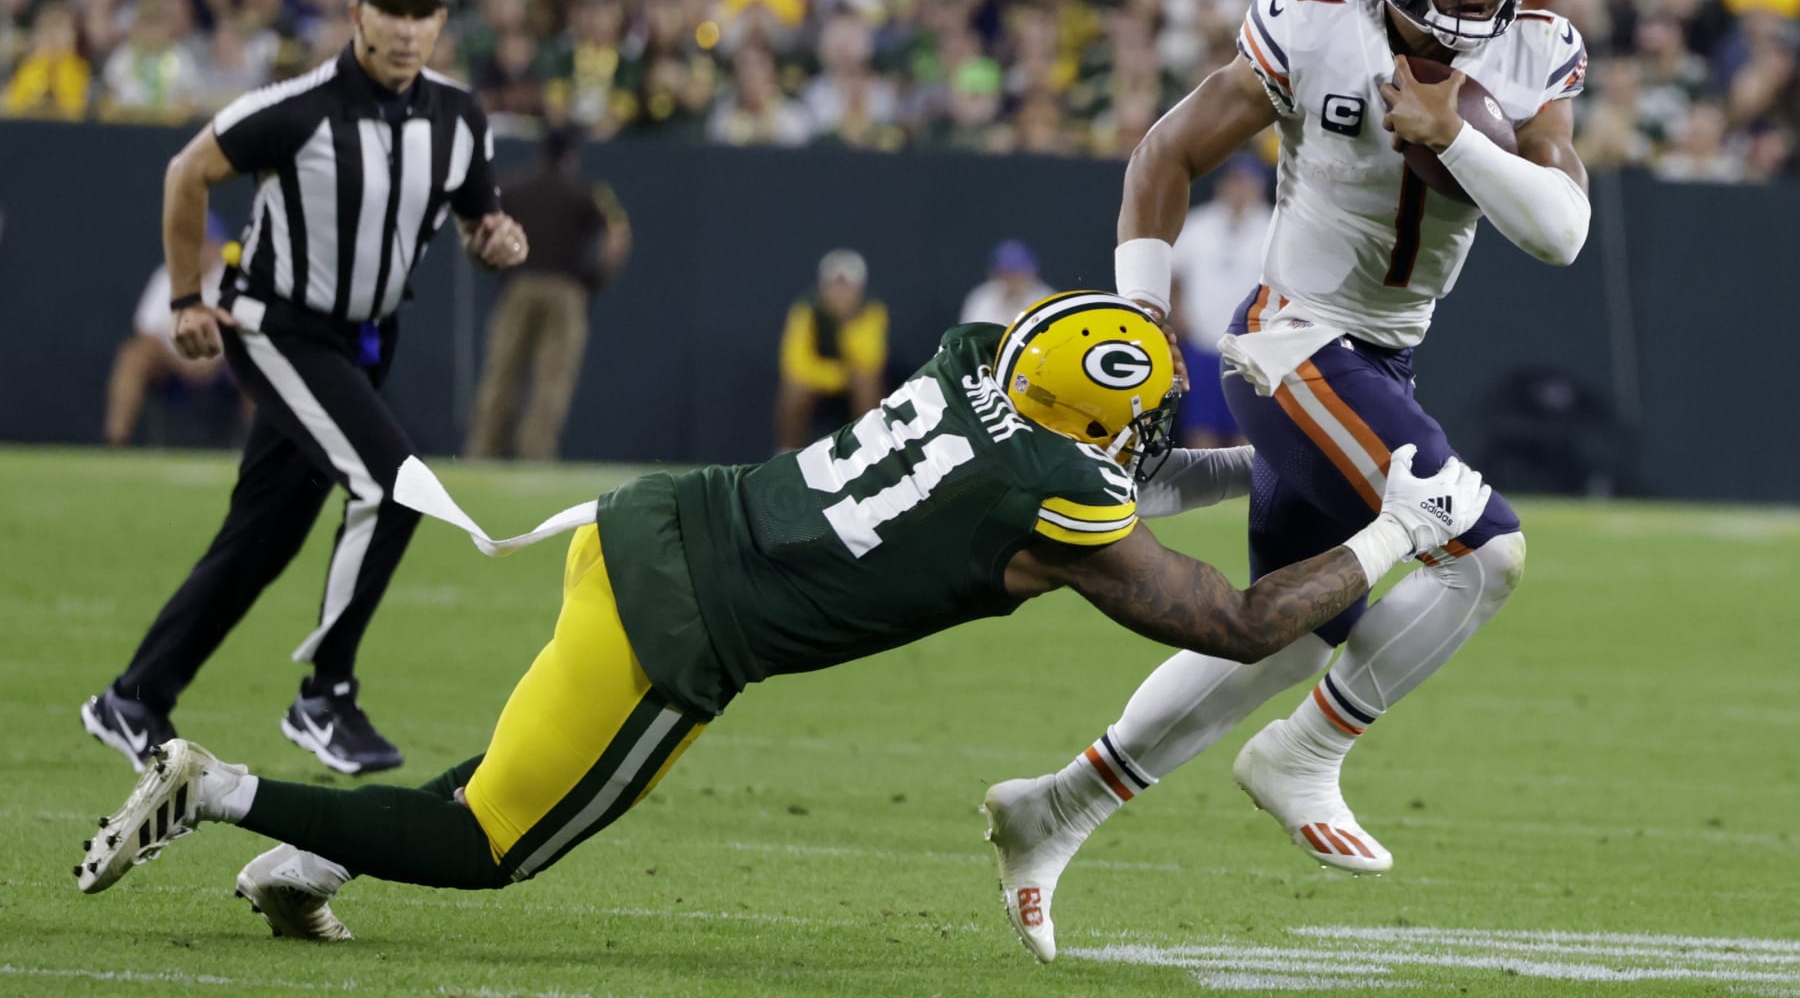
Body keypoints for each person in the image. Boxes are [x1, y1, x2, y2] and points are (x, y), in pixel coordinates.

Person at [73, 292, 1491, 944]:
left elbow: (1108, 475)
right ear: (1083, 429)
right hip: (697, 630)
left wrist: (1267, 465)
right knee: (491, 846)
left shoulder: (970, 364)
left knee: (538, 759)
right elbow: (1241, 622)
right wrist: (1396, 531)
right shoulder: (1050, 506)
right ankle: (221, 791)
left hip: (652, 525)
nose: (1138, 455)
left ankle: (309, 869)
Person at [986, 0, 1592, 961]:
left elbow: (1560, 230)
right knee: (1484, 549)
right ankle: (1306, 753)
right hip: (1289, 342)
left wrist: (1453, 130)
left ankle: (1056, 807)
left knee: (1280, 630)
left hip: (1380, 363)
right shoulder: (1314, 30)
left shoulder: (1535, 50)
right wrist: (1140, 332)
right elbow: (1164, 155)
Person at [80, 0, 531, 777]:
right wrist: (186, 298)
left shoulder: (461, 119)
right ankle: (326, 696)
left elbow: (480, 224)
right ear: (356, 14)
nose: (404, 28)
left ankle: (134, 697)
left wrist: (498, 241)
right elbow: (188, 171)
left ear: (439, 22)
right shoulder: (301, 107)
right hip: (280, 330)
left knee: (264, 535)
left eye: (420, 12)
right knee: (395, 487)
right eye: (388, 10)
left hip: (364, 344)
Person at [465, 126, 632, 461]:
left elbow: (483, 229)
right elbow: (617, 239)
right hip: (566, 292)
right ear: (572, 157)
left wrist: (493, 266)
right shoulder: (587, 192)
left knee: (500, 376)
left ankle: (482, 453)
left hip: (518, 287)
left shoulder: (515, 185)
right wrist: (594, 281)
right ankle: (535, 455)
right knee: (551, 381)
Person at [103, 213, 243, 447]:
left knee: (262, 365)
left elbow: (247, 332)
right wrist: (181, 363)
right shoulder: (167, 276)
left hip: (224, 369)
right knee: (133, 355)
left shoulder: (237, 281)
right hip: (173, 367)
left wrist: (216, 360)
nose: (198, 249)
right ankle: (115, 444)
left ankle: (262, 455)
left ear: (218, 246)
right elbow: (147, 333)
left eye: (204, 241)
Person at [1168, 153, 1272, 448]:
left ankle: (1242, 492)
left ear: (1258, 188)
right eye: (1235, 183)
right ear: (1223, 186)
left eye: (1246, 184)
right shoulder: (1199, 224)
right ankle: (1206, 493)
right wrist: (1180, 317)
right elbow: (1176, 276)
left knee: (1248, 425)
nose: (1240, 191)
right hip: (1203, 342)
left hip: (1252, 347)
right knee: (1201, 423)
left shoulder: (1272, 227)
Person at [773, 248, 887, 450]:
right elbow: (795, 364)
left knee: (867, 383)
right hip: (820, 381)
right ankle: (786, 453)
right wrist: (837, 376)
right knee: (793, 389)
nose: (841, 294)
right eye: (835, 286)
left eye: (847, 287)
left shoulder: (872, 312)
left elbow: (870, 360)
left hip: (854, 382)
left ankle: (872, 451)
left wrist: (846, 325)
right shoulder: (806, 311)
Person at [958, 239, 1054, 327]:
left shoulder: (1046, 299)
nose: (1012, 281)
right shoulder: (981, 299)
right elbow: (972, 339)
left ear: (1032, 273)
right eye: (1006, 274)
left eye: (1017, 273)